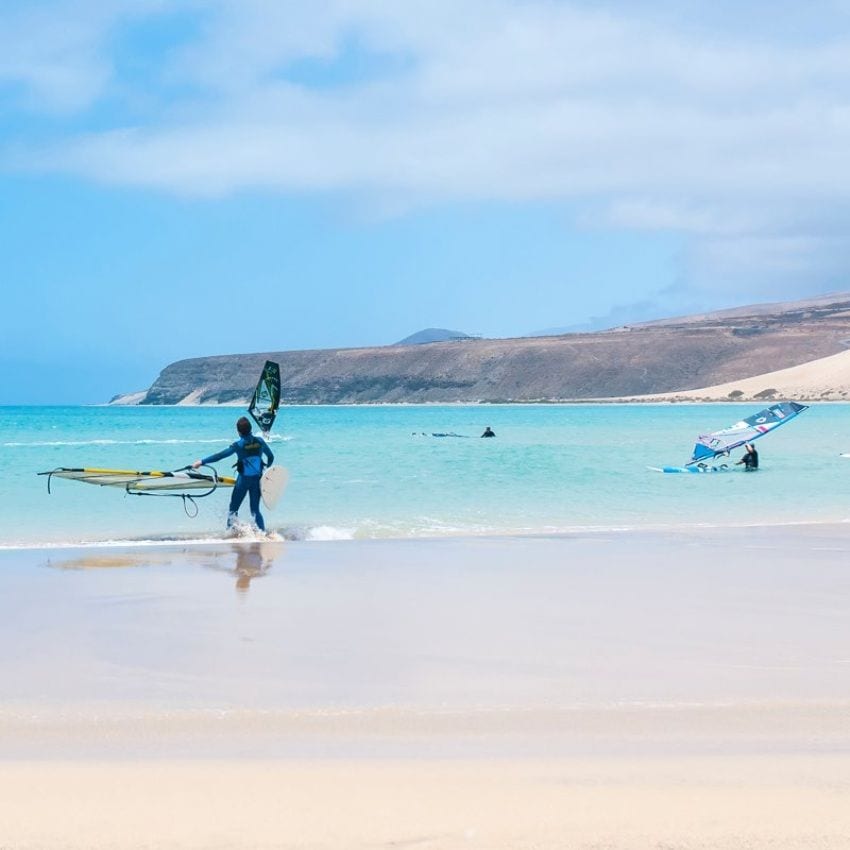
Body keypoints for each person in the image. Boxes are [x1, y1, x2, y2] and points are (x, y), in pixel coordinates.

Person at [192, 416, 274, 530]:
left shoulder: (238, 445)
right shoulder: (260, 441)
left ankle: (230, 534)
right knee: (255, 510)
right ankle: (262, 534)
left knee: (233, 509)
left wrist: (201, 462)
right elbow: (271, 457)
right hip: (257, 480)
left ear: (239, 432)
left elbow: (219, 456)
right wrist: (266, 471)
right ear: (251, 429)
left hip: (243, 482)